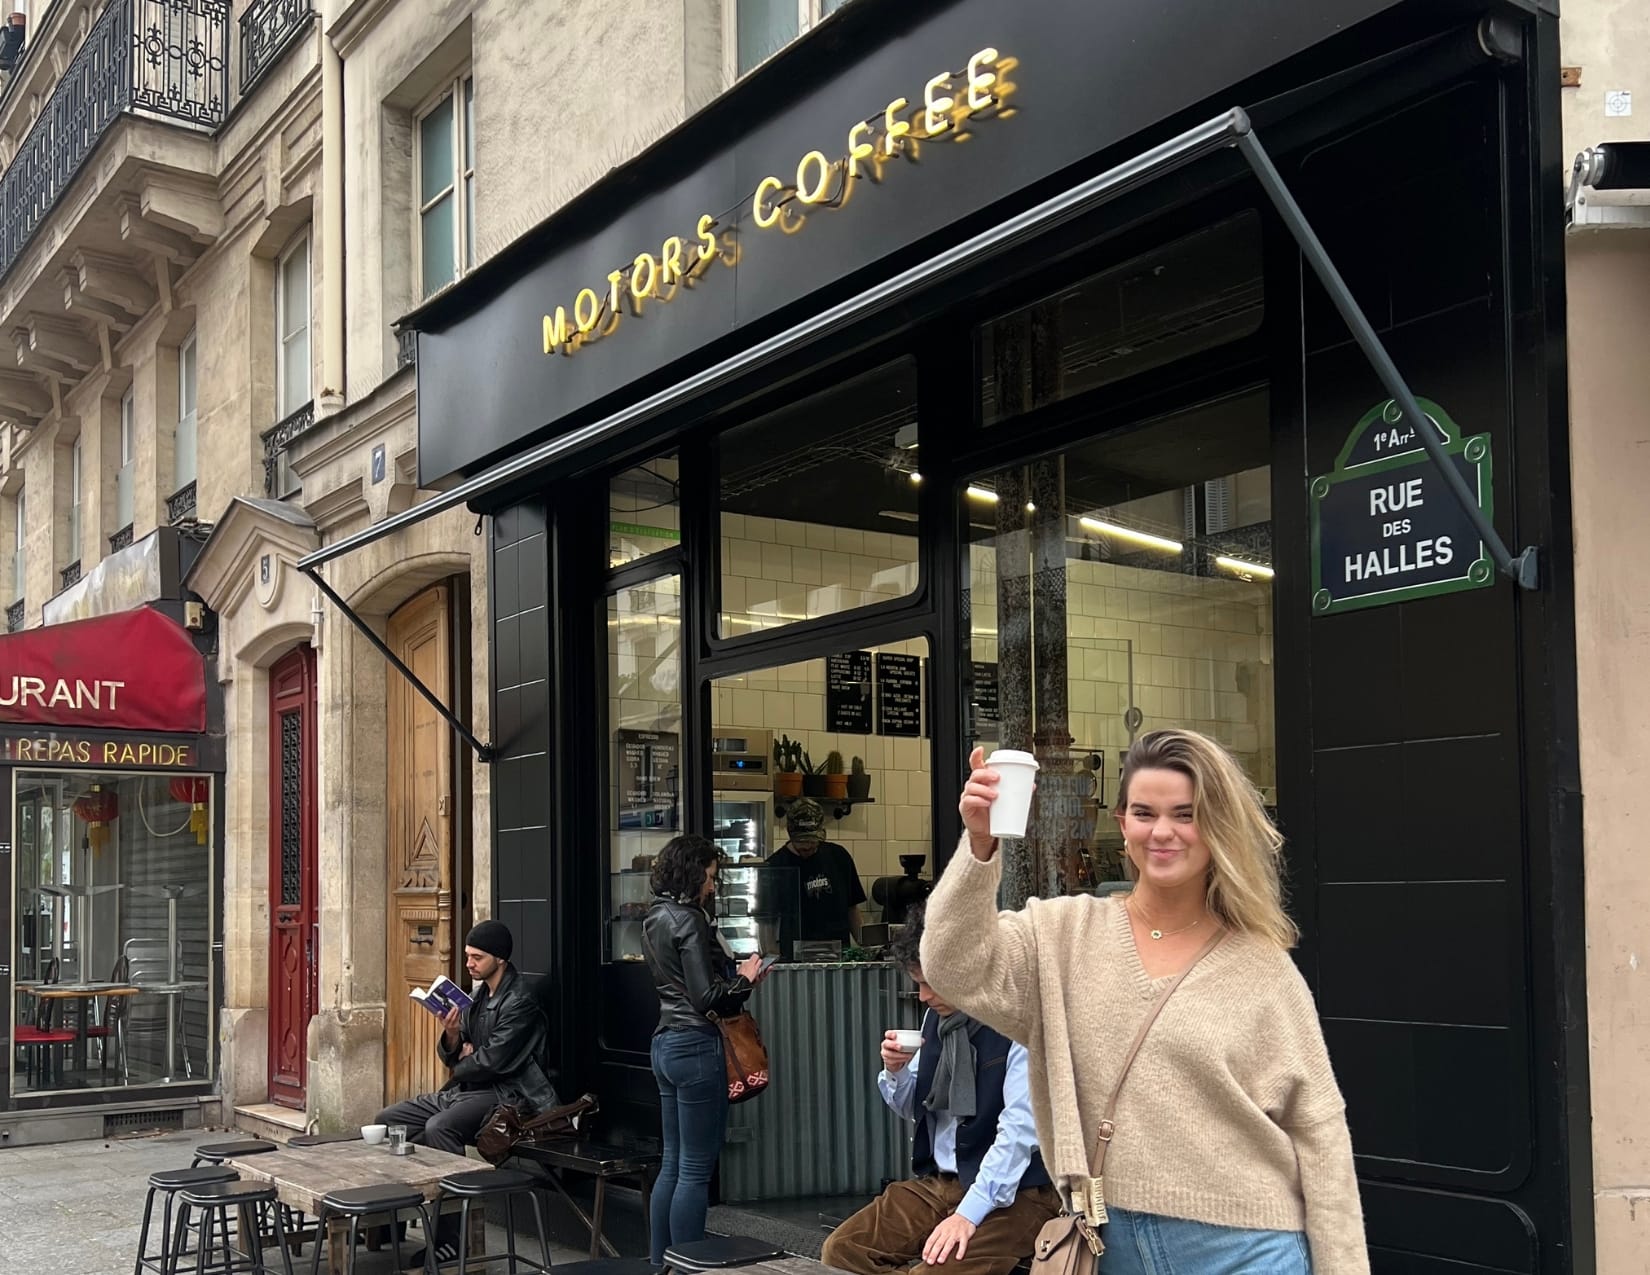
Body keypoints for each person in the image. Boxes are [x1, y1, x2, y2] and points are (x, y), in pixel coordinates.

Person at [922, 731, 1368, 1274]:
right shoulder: (1063, 935)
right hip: (1108, 1245)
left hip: (1248, 1249)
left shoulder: (1262, 968)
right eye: (1145, 812)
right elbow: (951, 964)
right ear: (1122, 821)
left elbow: (1319, 1133)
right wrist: (980, 845)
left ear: (1215, 826)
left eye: (1185, 814)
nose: (1163, 831)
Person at [822, 903, 1058, 1275]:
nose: (922, 996)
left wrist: (968, 1214)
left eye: (930, 982)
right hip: (939, 1182)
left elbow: (1019, 1132)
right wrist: (895, 1072)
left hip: (1018, 1194)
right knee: (843, 1250)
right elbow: (918, 1108)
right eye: (918, 983)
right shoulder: (940, 1018)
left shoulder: (1022, 1023)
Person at [375, 920, 556, 1266]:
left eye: (477, 957)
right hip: (469, 1088)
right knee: (388, 1120)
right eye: (469, 956)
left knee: (439, 1128)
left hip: (509, 1095)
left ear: (500, 959)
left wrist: (466, 1061)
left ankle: (451, 1238)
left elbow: (495, 1061)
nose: (469, 963)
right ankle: (390, 1218)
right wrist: (454, 1036)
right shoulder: (476, 996)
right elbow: (457, 1054)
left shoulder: (520, 1000)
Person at [643, 834, 769, 1267]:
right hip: (697, 1045)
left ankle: (660, 1262)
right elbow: (706, 996)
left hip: (664, 1042)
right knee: (696, 1169)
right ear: (693, 874)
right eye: (711, 877)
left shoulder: (654, 916)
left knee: (672, 1163)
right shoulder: (690, 919)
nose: (714, 886)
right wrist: (747, 980)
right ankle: (690, 1265)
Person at [760, 797, 866, 953]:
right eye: (802, 842)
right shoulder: (774, 867)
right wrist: (773, 960)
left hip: (838, 956)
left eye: (813, 841)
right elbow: (766, 924)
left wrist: (866, 947)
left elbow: (852, 909)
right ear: (790, 833)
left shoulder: (839, 857)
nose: (808, 846)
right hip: (795, 961)